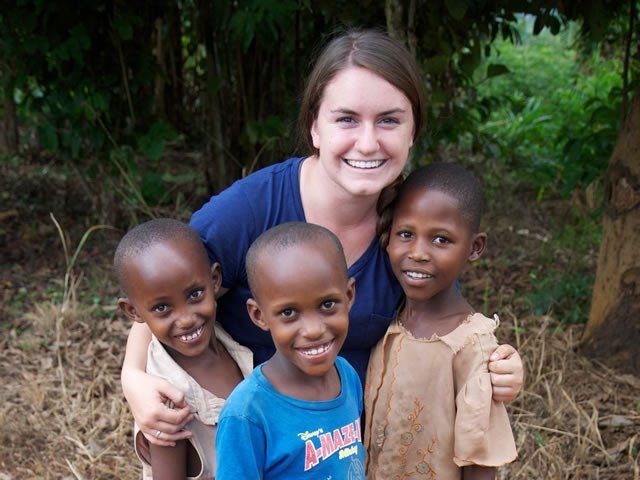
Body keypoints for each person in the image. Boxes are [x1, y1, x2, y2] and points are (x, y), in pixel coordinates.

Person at [121, 29, 524, 446]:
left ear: (412, 132)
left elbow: (450, 324)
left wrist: (497, 367)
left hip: (345, 448)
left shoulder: (414, 229)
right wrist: (132, 377)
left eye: (389, 120)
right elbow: (165, 286)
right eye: (346, 119)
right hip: (241, 442)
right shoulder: (251, 209)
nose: (367, 143)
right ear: (315, 127)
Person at [364, 163, 517, 480]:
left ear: (474, 248)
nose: (418, 253)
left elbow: (480, 461)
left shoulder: (471, 347)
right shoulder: (393, 321)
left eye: (441, 240)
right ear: (388, 236)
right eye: (406, 234)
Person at [216, 222, 365, 479]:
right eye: (288, 313)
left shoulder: (347, 376)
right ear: (259, 315)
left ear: (349, 295)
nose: (313, 330)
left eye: (327, 304)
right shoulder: (248, 413)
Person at [114, 219, 253, 478]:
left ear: (214, 280)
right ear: (133, 312)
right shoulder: (167, 405)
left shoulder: (230, 344)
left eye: (194, 295)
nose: (186, 319)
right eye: (161, 308)